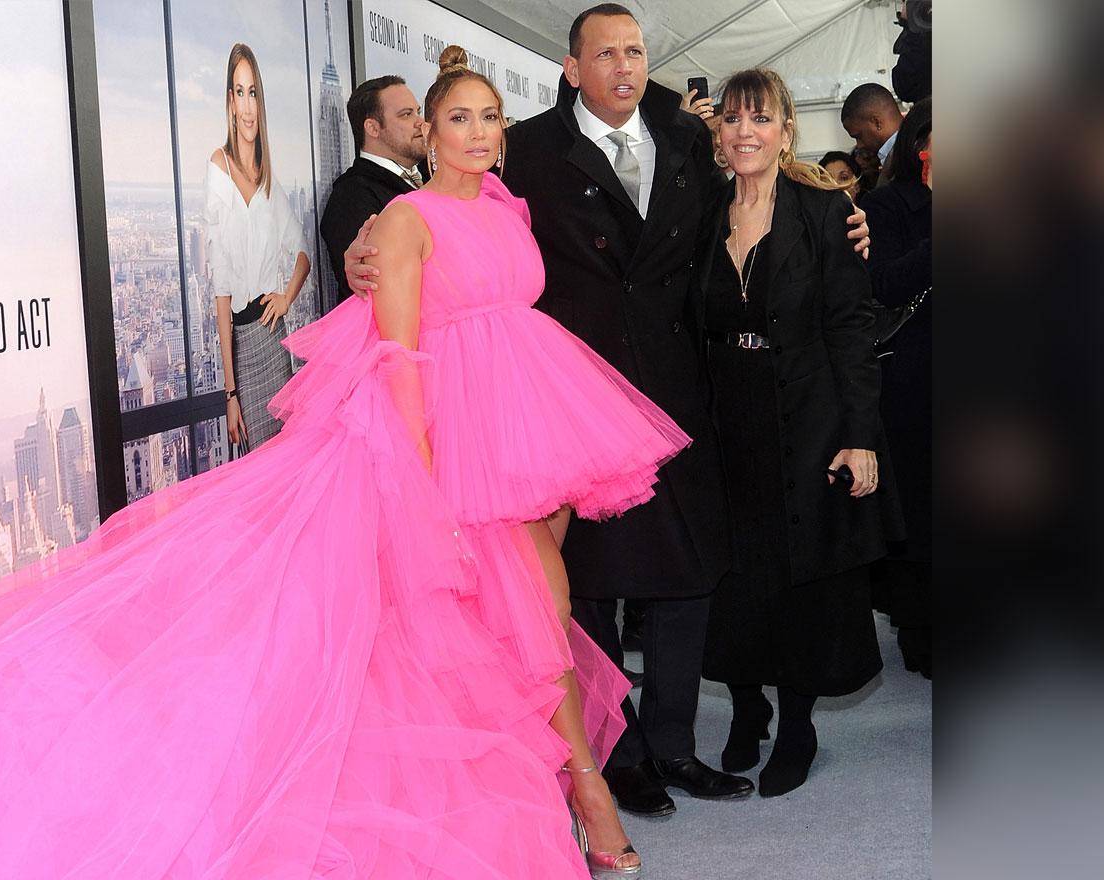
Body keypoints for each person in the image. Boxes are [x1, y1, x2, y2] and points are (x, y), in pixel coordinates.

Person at [0, 42, 697, 880]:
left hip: (533, 430)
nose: (478, 132)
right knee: (540, 611)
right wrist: (422, 485)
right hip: (453, 450)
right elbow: (400, 356)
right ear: (426, 131)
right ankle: (589, 795)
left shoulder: (510, 205)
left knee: (522, 622)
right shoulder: (404, 219)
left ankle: (553, 788)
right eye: (457, 117)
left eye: (490, 116)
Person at [346, 3, 871, 819]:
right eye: (606, 54)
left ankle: (674, 746)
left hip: (676, 392)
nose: (625, 67)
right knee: (583, 588)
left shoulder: (687, 136)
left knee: (687, 578)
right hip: (566, 407)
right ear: (572, 67)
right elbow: (440, 222)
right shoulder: (526, 150)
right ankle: (612, 753)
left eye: (635, 51)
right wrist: (361, 253)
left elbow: (755, 185)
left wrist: (843, 214)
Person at [697, 68, 904, 797]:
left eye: (761, 118)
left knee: (801, 576)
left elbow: (852, 329)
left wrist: (862, 435)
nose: (745, 132)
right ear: (716, 133)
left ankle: (796, 724)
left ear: (786, 129)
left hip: (809, 413)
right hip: (726, 421)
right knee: (734, 576)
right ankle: (746, 708)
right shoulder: (700, 210)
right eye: (732, 119)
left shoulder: (824, 211)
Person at [205, 44, 311, 453]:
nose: (247, 105)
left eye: (253, 93)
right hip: (245, 345)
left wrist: (287, 297)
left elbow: (302, 251)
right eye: (238, 91)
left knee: (288, 458)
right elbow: (222, 292)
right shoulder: (219, 168)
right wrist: (230, 395)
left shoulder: (269, 182)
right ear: (229, 102)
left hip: (274, 336)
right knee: (259, 466)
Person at [863, 97, 932, 677]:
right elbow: (880, 286)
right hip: (915, 378)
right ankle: (919, 627)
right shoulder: (887, 204)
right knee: (921, 508)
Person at [320, 76, 426, 302]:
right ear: (372, 128)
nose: (421, 122)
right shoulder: (351, 197)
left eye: (418, 111)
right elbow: (375, 288)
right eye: (406, 114)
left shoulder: (433, 178)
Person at [841, 83, 904, 178]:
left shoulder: (907, 157)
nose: (859, 145)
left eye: (859, 136)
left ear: (876, 122)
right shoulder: (916, 145)